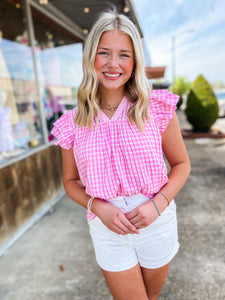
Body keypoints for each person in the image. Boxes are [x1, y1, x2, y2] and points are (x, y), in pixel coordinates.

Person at [51, 9, 191, 300]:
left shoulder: (156, 108)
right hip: (107, 229)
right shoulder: (72, 123)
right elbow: (70, 182)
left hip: (156, 220)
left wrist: (157, 205)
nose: (113, 63)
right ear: (91, 57)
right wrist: (98, 208)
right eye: (104, 52)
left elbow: (181, 164)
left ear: (135, 60)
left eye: (124, 54)